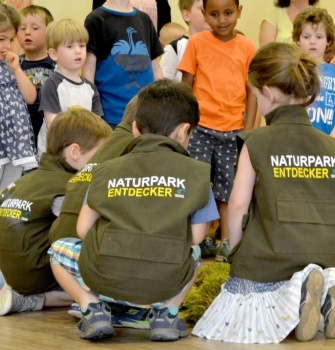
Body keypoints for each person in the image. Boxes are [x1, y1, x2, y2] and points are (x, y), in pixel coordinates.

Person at [48, 79, 219, 341]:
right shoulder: (198, 174)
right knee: (194, 252)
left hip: (103, 278)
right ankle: (167, 315)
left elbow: (82, 230)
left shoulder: (104, 170)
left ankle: (92, 308)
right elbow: (196, 238)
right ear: (185, 131)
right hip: (164, 282)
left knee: (57, 250)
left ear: (136, 129)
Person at [192, 41, 335, 344]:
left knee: (244, 287)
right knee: (321, 266)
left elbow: (238, 203)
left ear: (267, 93)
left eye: (255, 95)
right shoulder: (331, 146)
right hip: (327, 250)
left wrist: (235, 249)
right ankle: (322, 294)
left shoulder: (255, 141)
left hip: (274, 252)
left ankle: (299, 294)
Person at [50, 96, 152, 329]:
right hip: (97, 255)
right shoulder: (134, 149)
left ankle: (89, 300)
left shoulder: (107, 145)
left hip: (68, 253)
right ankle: (121, 305)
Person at [0, 107, 111, 316]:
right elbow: (78, 232)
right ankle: (30, 301)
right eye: (99, 156)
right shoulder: (69, 186)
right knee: (95, 284)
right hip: (34, 276)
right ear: (75, 152)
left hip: (8, 268)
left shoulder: (25, 180)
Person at [179, 0, 257, 261]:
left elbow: (252, 92)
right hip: (200, 129)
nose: (222, 20)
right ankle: (195, 240)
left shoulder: (246, 46)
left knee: (228, 187)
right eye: (214, 14)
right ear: (203, 14)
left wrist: (249, 130)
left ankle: (226, 240)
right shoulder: (197, 43)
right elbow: (186, 85)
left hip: (233, 132)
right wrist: (185, 125)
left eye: (228, 13)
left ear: (239, 12)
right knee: (199, 185)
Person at [82, 0, 164, 128]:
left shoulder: (144, 19)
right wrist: (92, 110)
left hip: (147, 115)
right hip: (111, 116)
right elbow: (88, 71)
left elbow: (155, 67)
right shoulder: (96, 19)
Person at [38, 18, 103, 157]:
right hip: (55, 155)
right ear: (54, 54)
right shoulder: (52, 84)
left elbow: (96, 124)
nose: (78, 51)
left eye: (82, 45)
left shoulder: (90, 88)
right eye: (70, 47)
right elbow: (53, 125)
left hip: (81, 153)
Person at [0, 1, 38, 190]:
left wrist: (16, 70)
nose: (7, 45)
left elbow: (30, 97)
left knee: (9, 194)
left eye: (11, 40)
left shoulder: (13, 65)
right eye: (1, 39)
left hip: (16, 143)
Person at [292, 7, 335, 137]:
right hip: (297, 140)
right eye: (306, 36)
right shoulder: (292, 71)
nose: (312, 41)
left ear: (328, 40)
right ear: (298, 40)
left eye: (319, 37)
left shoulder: (333, 73)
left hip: (329, 142)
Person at [17, 5, 55, 148]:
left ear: (49, 32)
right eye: (22, 28)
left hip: (49, 128)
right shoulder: (14, 65)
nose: (27, 32)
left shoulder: (57, 64)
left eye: (35, 28)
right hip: (22, 129)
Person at [160, 0, 210, 82]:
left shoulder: (218, 44)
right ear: (186, 15)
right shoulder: (174, 48)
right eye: (203, 8)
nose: (209, 12)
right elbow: (162, 87)